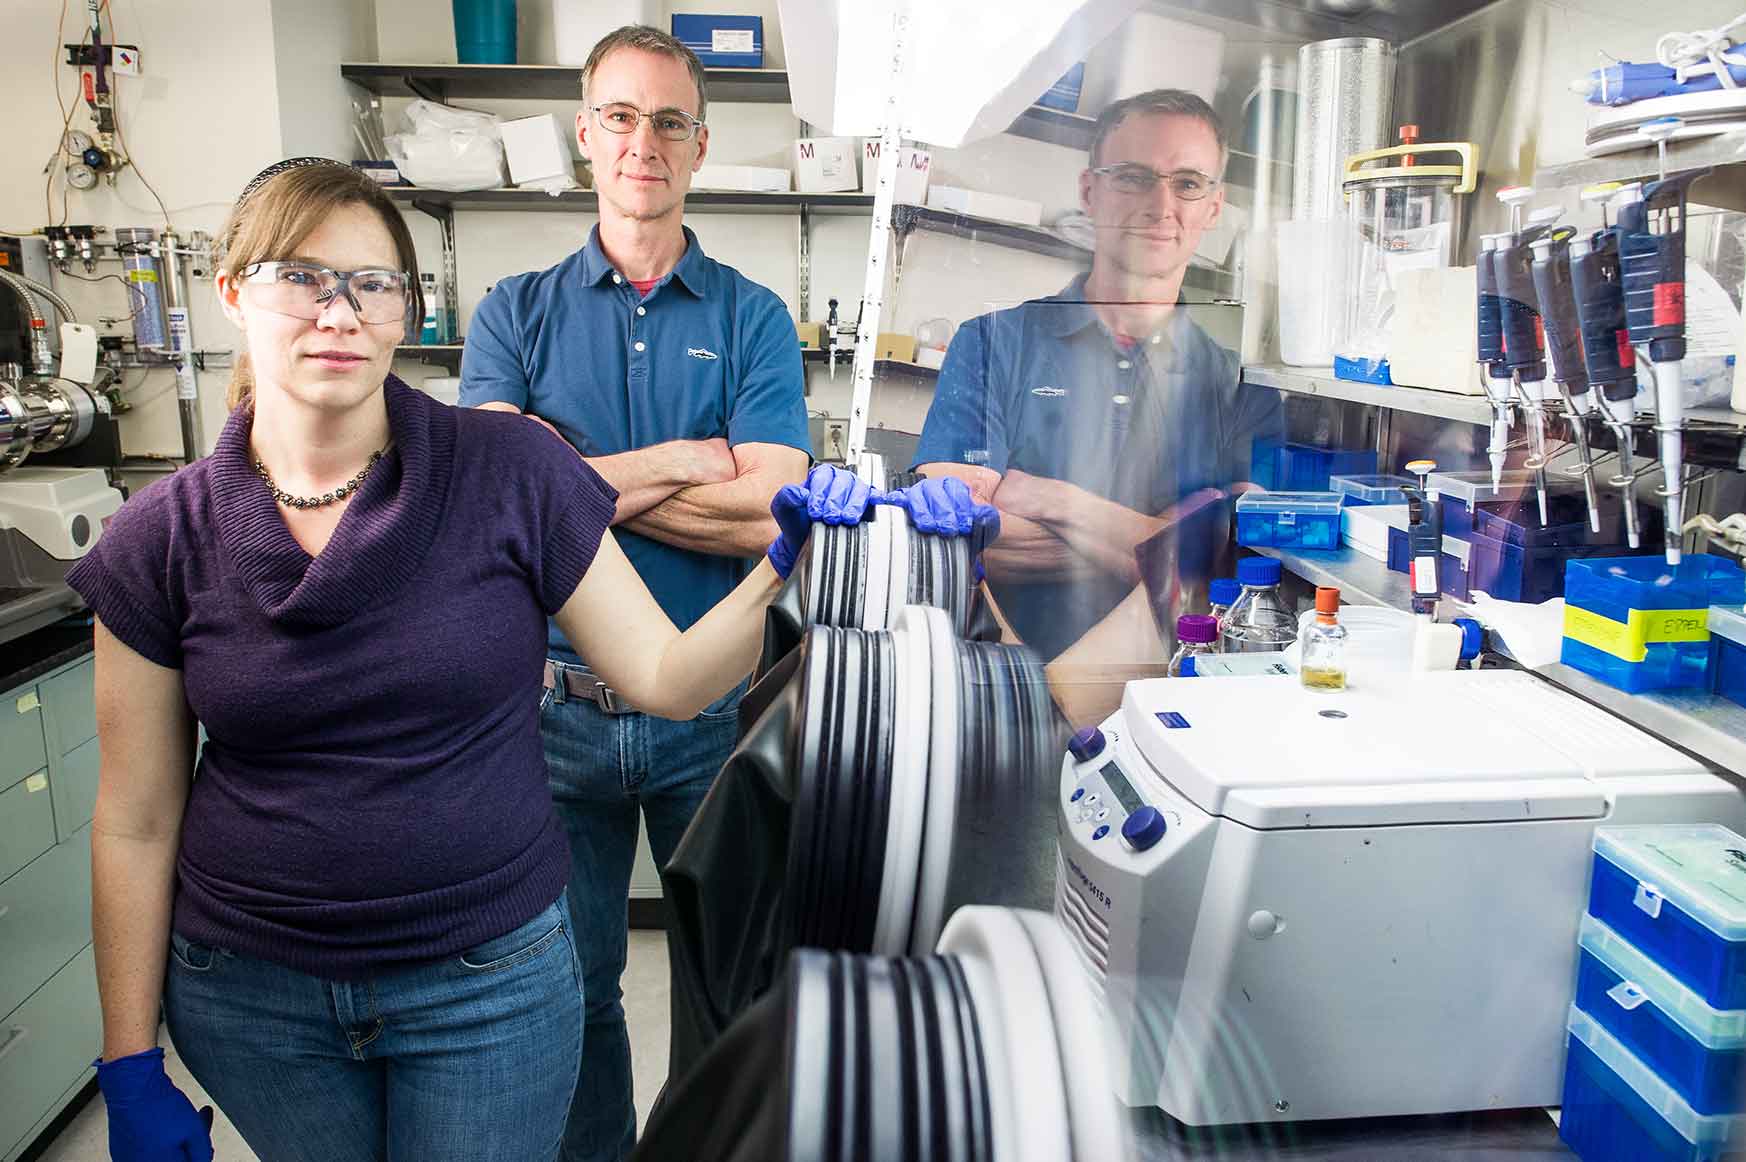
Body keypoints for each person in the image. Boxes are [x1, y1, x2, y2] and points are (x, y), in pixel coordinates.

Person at [69, 156, 994, 1162]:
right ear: (232, 290)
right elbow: (135, 817)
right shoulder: (159, 537)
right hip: (252, 994)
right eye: (302, 276)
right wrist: (128, 1053)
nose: (338, 313)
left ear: (405, 311)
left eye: (372, 284)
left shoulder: (505, 473)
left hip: (485, 987)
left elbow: (670, 678)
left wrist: (788, 560)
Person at [457, 27, 813, 1161]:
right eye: (620, 115)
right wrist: (686, 458)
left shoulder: (751, 313)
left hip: (711, 706)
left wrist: (566, 473)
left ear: (700, 146)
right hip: (551, 709)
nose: (642, 141)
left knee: (734, 984)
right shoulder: (514, 311)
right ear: (584, 134)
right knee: (574, 991)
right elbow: (490, 501)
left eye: (668, 120)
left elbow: (771, 510)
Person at [912, 89, 1284, 664]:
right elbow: (953, 534)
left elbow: (1222, 568)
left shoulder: (1241, 388)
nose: (1161, 205)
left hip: (1166, 696)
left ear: (1214, 207)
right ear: (1090, 191)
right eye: (1133, 177)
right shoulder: (992, 343)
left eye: (1188, 183)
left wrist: (1048, 497)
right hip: (992, 681)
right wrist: (1157, 539)